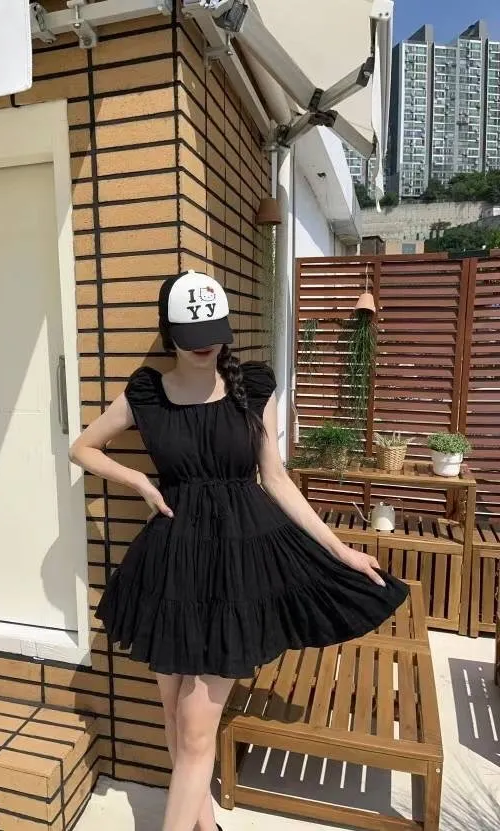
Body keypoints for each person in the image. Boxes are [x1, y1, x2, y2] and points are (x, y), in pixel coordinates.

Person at [69, 270, 409, 831]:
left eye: (213, 332)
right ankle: (204, 825)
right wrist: (140, 482)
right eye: (191, 335)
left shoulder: (252, 386)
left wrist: (341, 550)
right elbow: (83, 447)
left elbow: (275, 479)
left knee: (195, 724)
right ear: (169, 332)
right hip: (172, 564)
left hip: (236, 567)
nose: (205, 345)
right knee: (174, 715)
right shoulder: (146, 393)